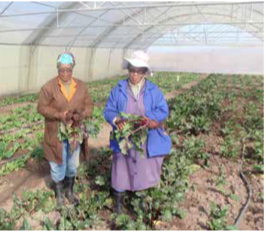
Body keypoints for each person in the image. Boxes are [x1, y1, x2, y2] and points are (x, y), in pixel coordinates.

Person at [102, 50, 171, 214]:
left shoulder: (153, 91)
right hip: (124, 137)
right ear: (128, 70)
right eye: (132, 70)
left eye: (139, 71)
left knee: (143, 167)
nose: (134, 74)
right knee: (121, 168)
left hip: (144, 138)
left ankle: (139, 201)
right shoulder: (118, 89)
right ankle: (118, 202)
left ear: (145, 73)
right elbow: (108, 110)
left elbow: (163, 110)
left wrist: (149, 120)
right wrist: (116, 120)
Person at [37, 52, 93, 206]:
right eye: (62, 70)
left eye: (68, 70)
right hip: (56, 133)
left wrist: (82, 114)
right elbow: (41, 107)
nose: (65, 73)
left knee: (72, 163)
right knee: (57, 164)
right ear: (57, 69)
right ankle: (59, 194)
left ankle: (70, 191)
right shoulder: (49, 87)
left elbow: (89, 106)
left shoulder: (81, 86)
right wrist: (58, 114)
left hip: (74, 132)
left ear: (72, 69)